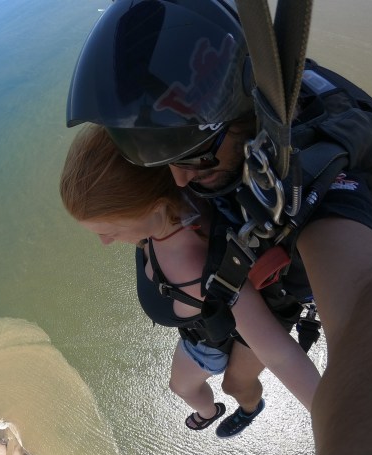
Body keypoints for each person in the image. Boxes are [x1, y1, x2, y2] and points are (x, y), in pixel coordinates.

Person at [65, 1, 372, 455]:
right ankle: (242, 402)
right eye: (163, 164)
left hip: (254, 323)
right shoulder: (213, 162)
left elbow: (366, 293)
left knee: (242, 382)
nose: (178, 180)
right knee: (231, 379)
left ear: (239, 113)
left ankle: (247, 404)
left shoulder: (311, 180)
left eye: (194, 157)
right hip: (225, 324)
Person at [60, 123, 320, 437]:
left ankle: (230, 410)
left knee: (209, 385)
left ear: (154, 207)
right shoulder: (182, 200)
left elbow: (280, 354)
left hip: (210, 342)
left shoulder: (199, 266)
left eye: (110, 231)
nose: (105, 242)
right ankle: (220, 409)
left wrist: (342, 426)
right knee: (200, 384)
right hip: (204, 326)